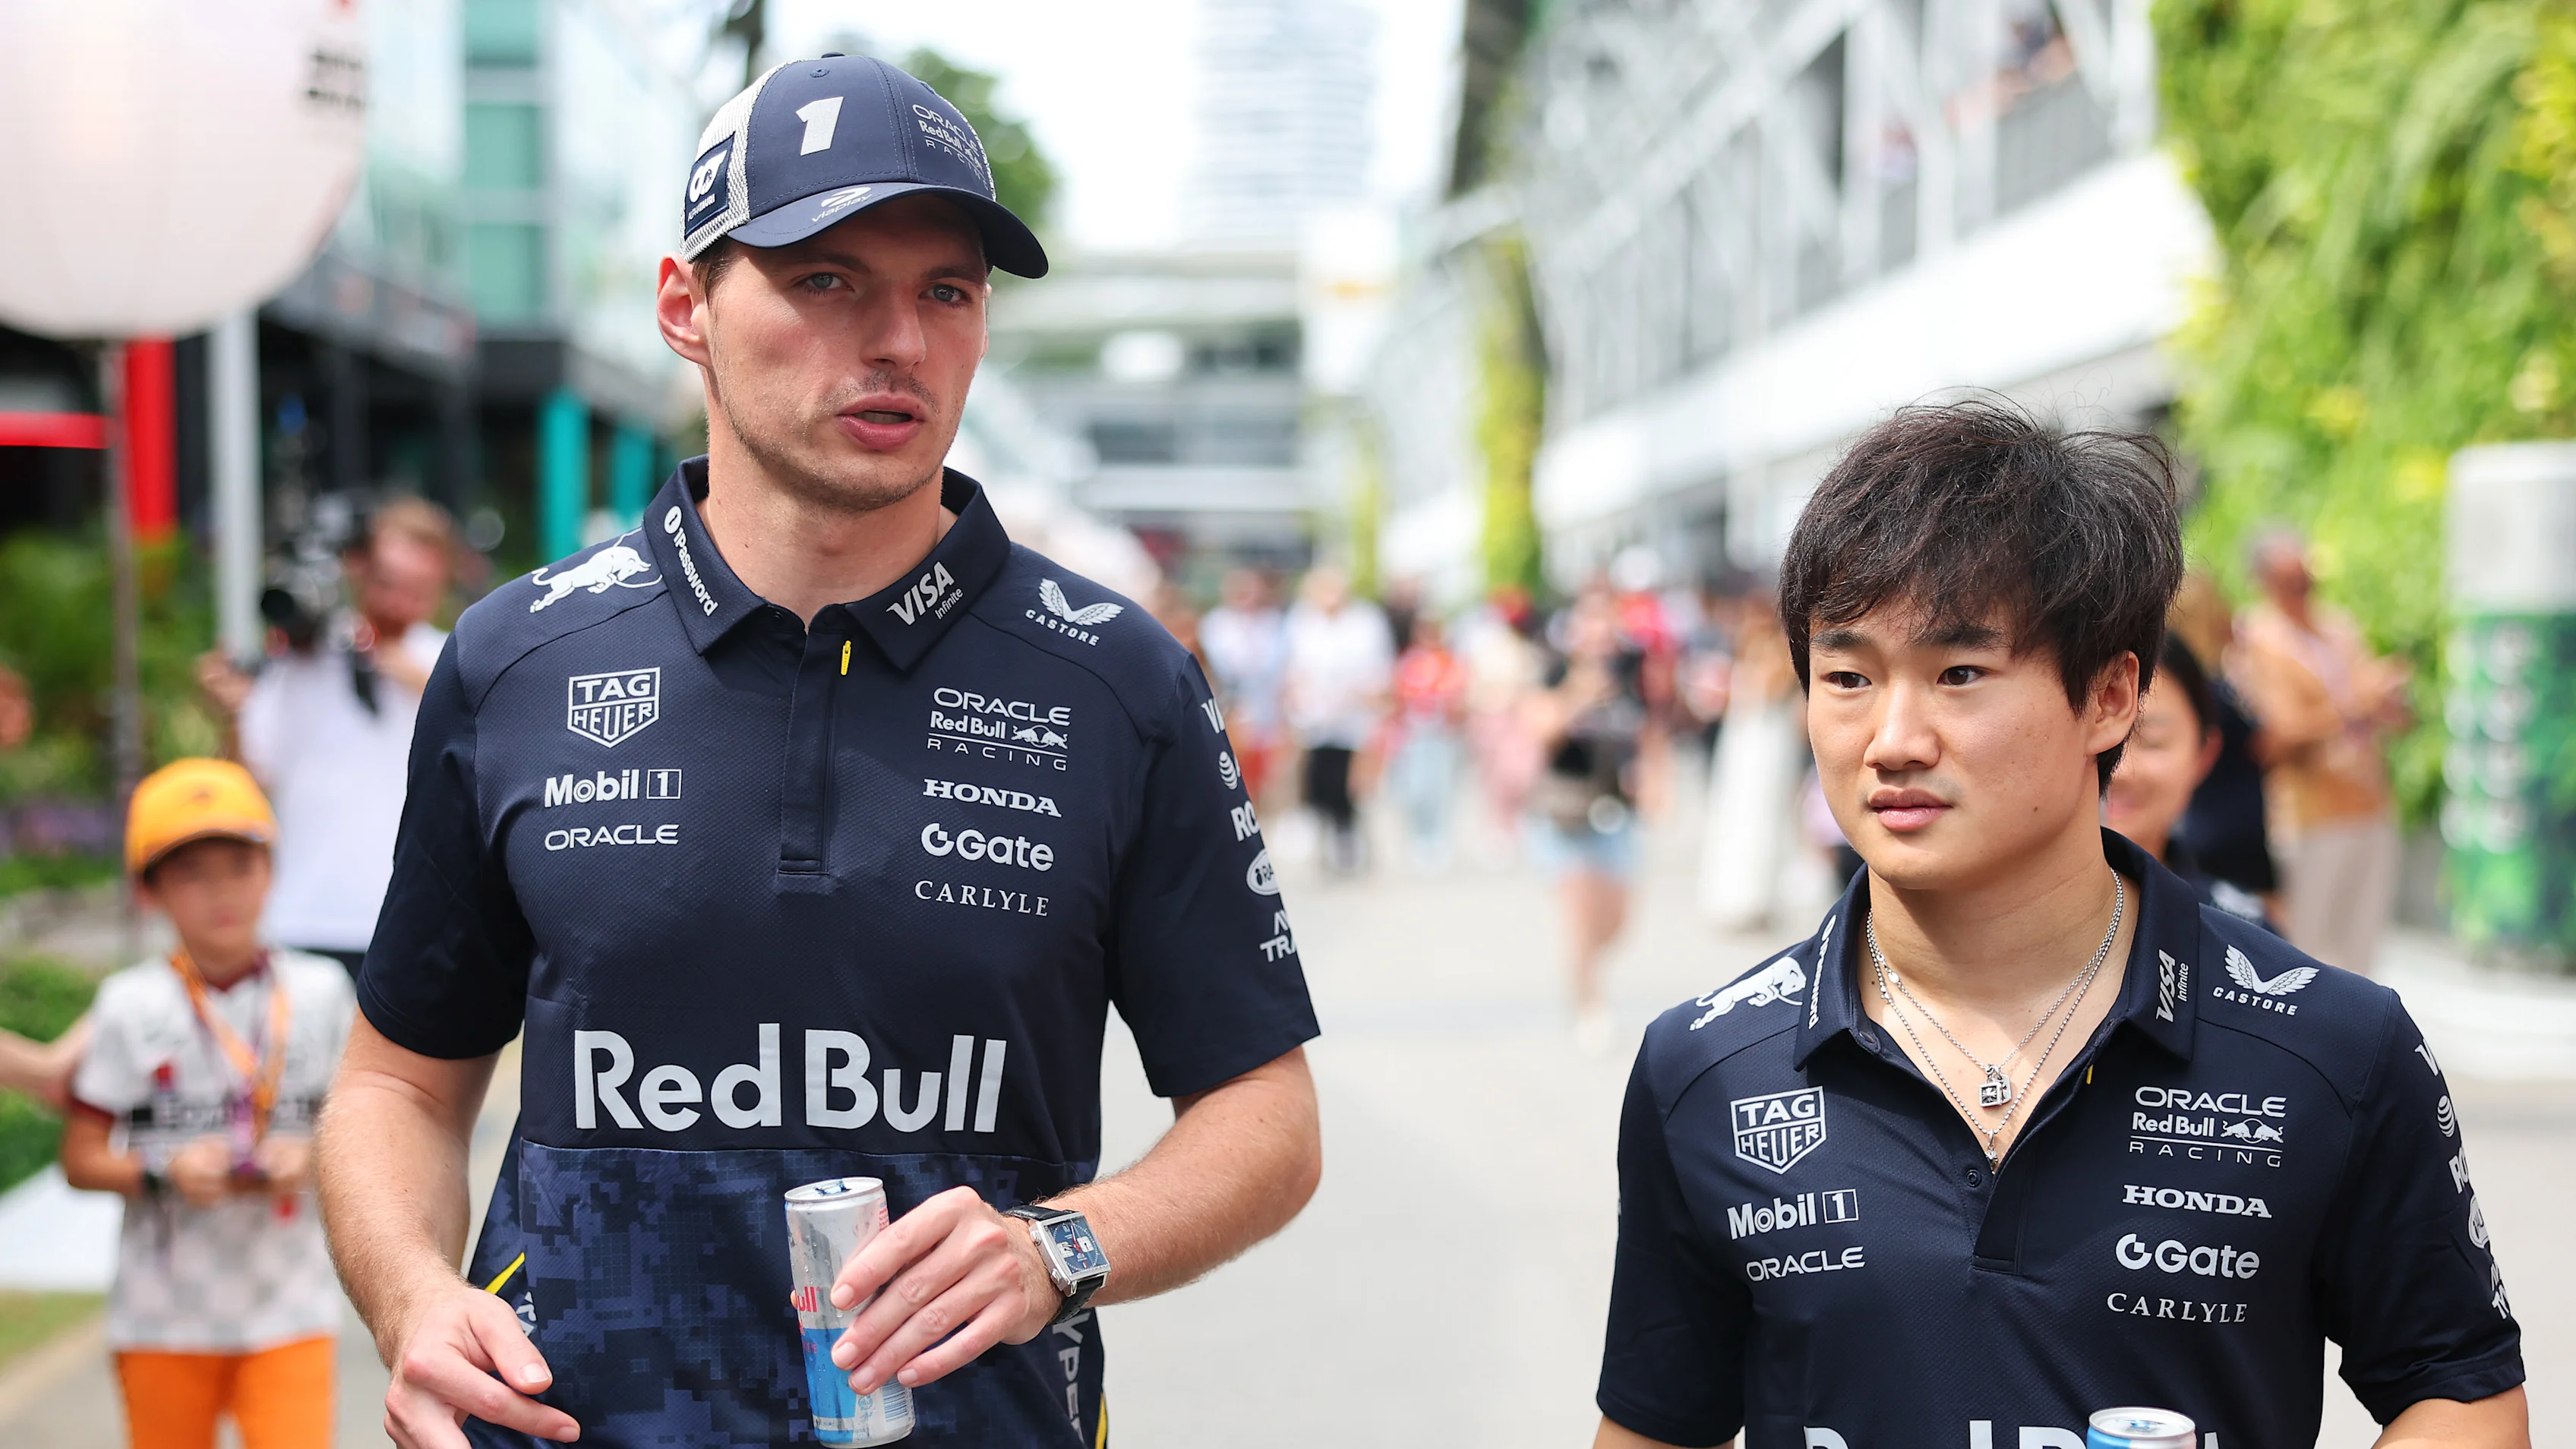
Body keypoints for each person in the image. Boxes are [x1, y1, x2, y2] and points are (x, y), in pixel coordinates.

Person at [316, 55, 1321, 1449]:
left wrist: (1060, 1247)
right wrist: (412, 1297)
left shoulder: (1118, 679)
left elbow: (1265, 1115)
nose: (898, 339)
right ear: (686, 308)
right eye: (826, 280)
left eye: (946, 291)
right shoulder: (516, 659)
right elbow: (396, 1083)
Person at [1594, 400, 2527, 1449]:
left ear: (2111, 697)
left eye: (1959, 674)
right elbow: (1654, 1422)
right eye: (1848, 676)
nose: (1893, 740)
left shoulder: (2331, 1050)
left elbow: (2460, 1388)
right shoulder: (1709, 1067)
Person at [58, 759, 357, 1449]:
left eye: (238, 865)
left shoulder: (321, 993)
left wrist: (312, 1155)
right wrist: (162, 1174)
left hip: (289, 1309)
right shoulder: (128, 1006)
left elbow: (368, 1130)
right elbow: (79, 1157)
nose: (220, 891)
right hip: (161, 1317)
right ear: (150, 892)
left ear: (271, 871)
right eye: (191, 873)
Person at [197, 498, 456, 977]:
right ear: (356, 569)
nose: (398, 601)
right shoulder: (300, 660)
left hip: (410, 920)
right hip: (300, 918)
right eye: (387, 583)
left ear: (441, 585)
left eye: (417, 589)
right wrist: (232, 712)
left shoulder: (448, 658)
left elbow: (485, 736)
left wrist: (394, 665)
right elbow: (246, 779)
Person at [2233, 529, 2410, 973]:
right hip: (2311, 813)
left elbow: (2371, 693)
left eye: (2307, 578)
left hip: (2370, 803)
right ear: (2265, 581)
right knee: (2308, 947)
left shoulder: (2336, 625)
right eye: (2291, 581)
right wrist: (2356, 705)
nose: (2304, 589)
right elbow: (2275, 735)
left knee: (2363, 946)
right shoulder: (2257, 638)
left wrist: (2387, 702)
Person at [1526, 589, 1650, 1051]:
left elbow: (1647, 730)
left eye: (1606, 623)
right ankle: (1589, 1006)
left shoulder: (1630, 672)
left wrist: (1654, 780)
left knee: (1616, 924)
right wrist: (1580, 691)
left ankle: (1584, 967)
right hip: (1564, 816)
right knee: (1579, 921)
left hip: (1616, 815)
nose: (1598, 634)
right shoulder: (1554, 671)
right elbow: (1542, 731)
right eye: (1589, 623)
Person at [2104, 634, 2277, 930]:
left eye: (2153, 742)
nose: (2118, 770)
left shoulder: (2239, 931)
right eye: (2102, 743)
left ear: (2204, 755)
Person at [2166, 572, 2278, 907]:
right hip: (2233, 832)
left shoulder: (2189, 688)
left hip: (2210, 825)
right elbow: (2268, 745)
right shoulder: (2213, 691)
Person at [1283, 564, 1392, 874]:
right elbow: (1293, 669)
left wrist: (1363, 695)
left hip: (1355, 718)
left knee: (1351, 783)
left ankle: (1349, 837)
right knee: (1318, 780)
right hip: (1315, 720)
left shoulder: (1365, 622)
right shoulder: (1302, 622)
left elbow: (1379, 669)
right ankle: (1325, 836)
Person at [1198, 567, 1289, 807]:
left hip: (1265, 714)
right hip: (1229, 712)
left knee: (1265, 785)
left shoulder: (1274, 623)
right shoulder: (1216, 624)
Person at [1385, 612, 1468, 870]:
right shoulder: (1408, 662)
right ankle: (1418, 838)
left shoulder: (1450, 662)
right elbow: (1396, 697)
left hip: (1442, 735)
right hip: (1413, 733)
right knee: (1415, 788)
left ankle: (1437, 838)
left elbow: (1459, 696)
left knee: (1440, 788)